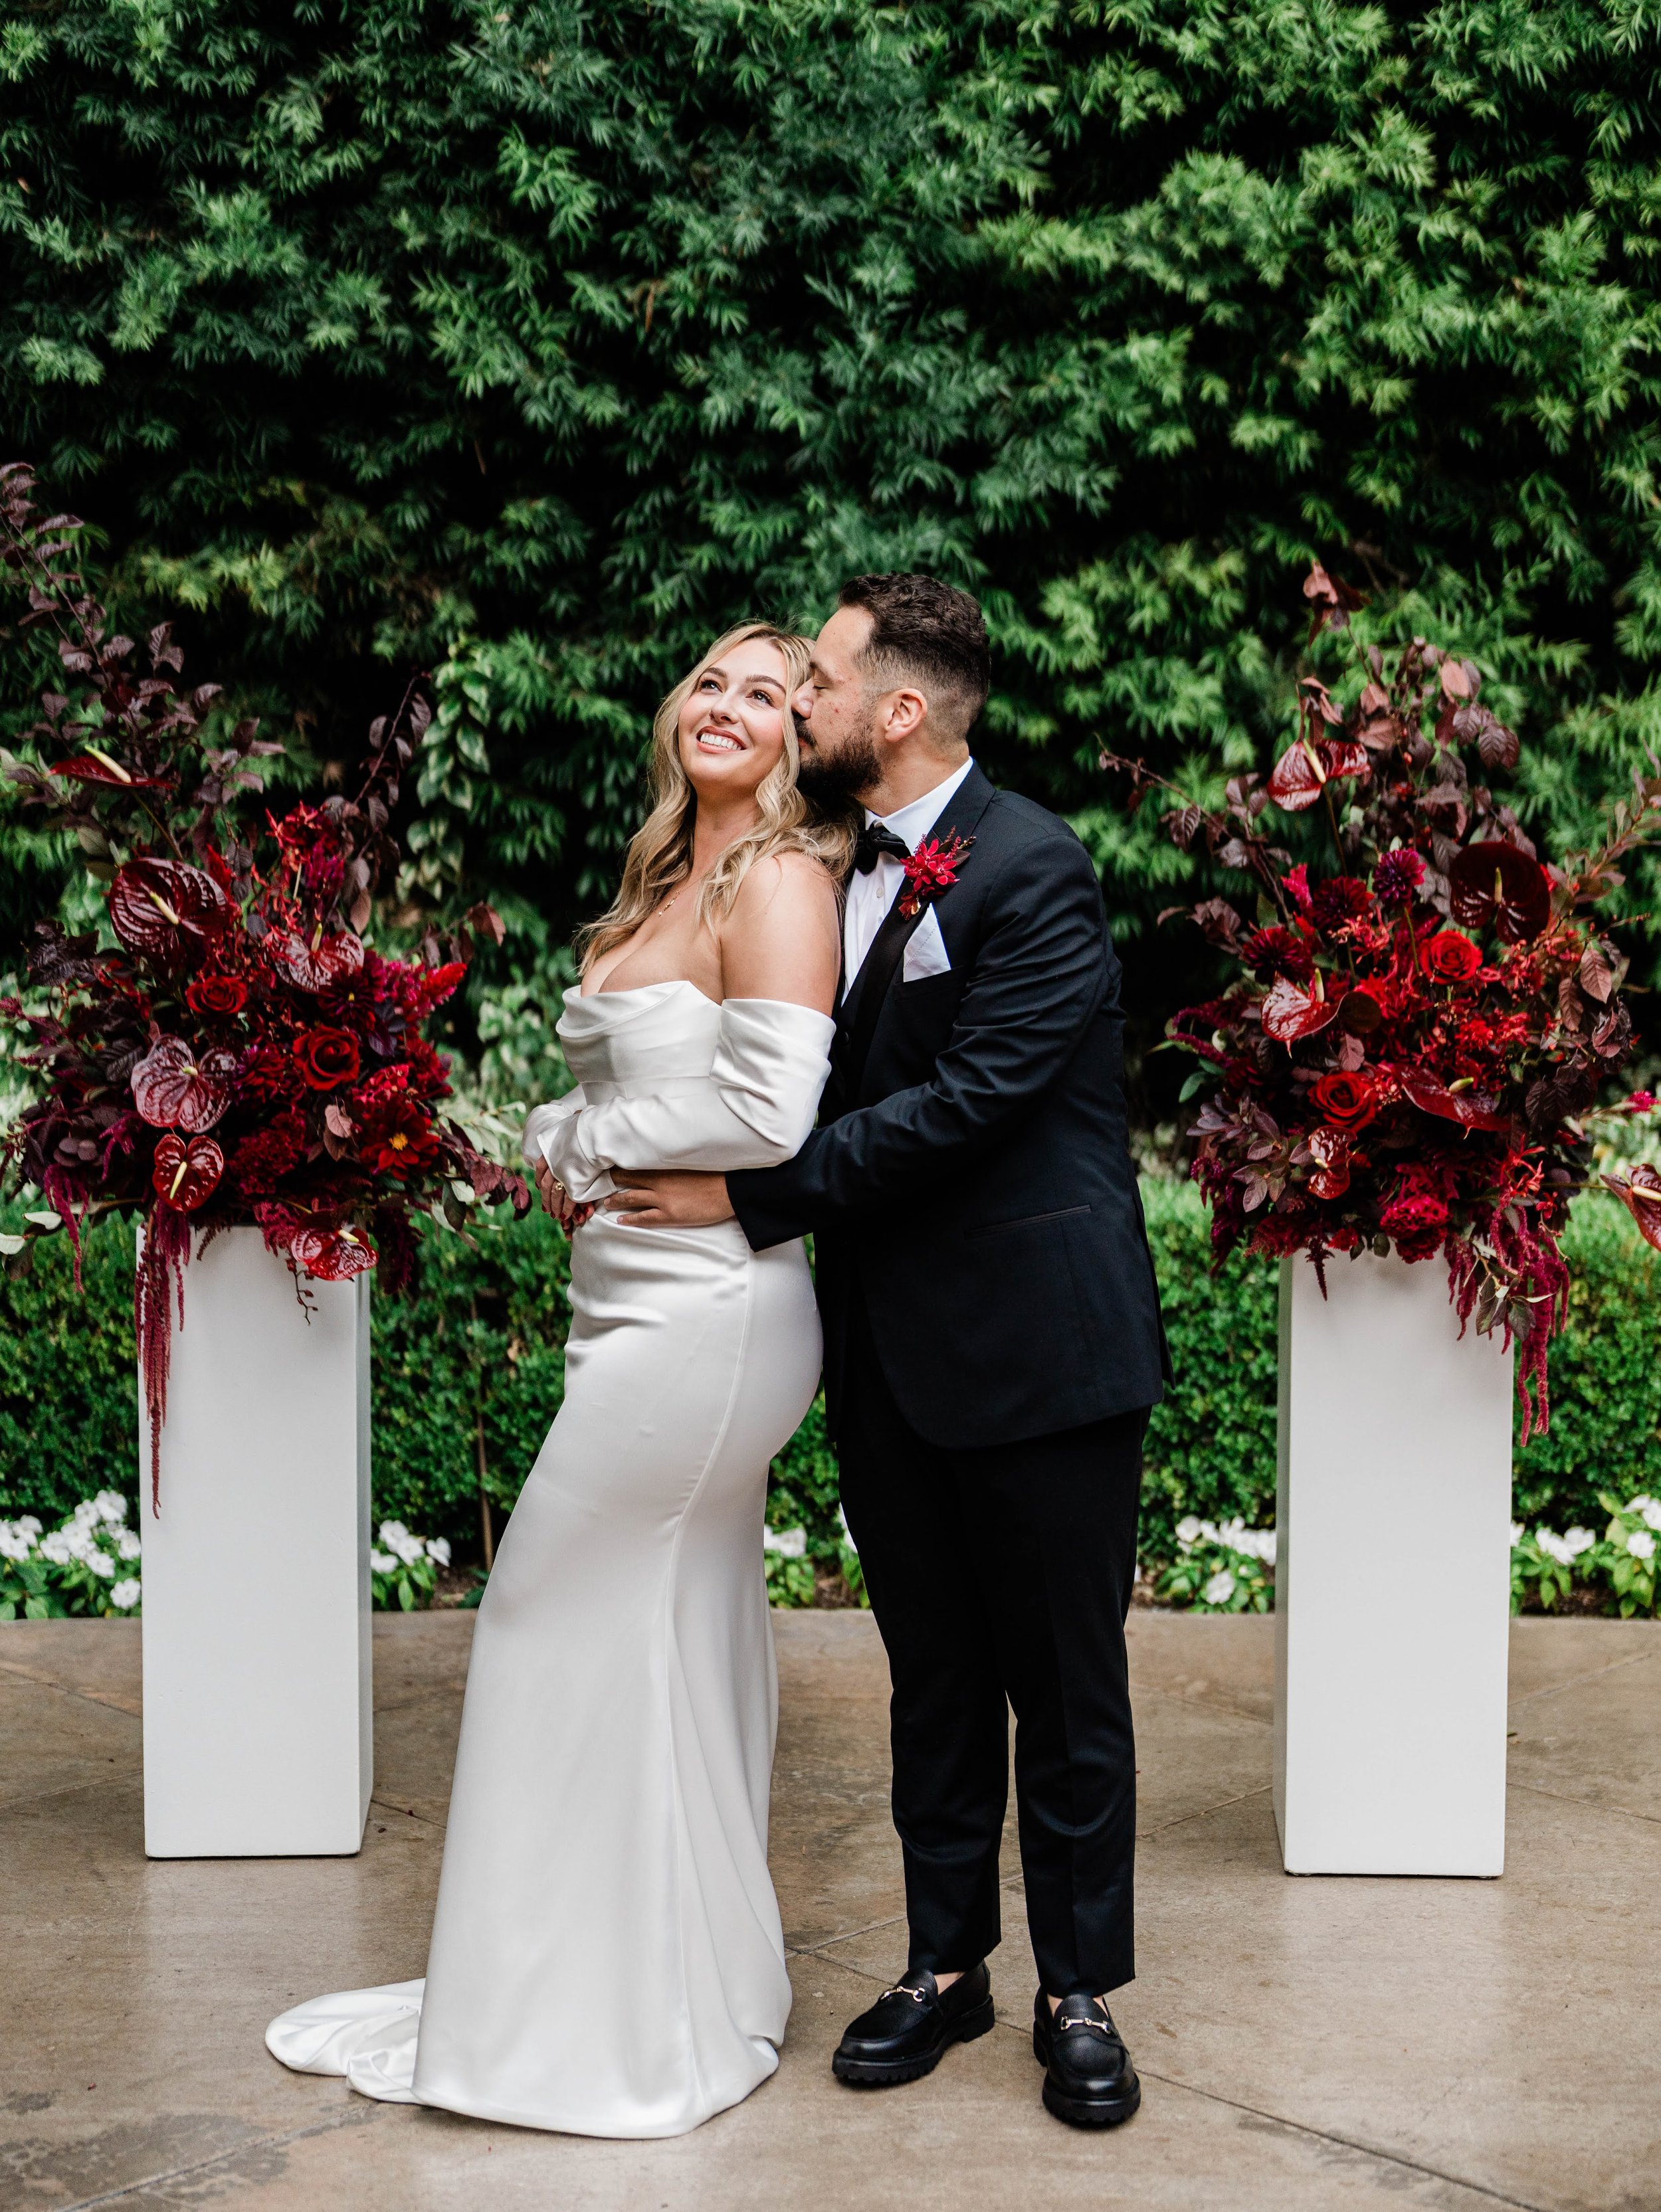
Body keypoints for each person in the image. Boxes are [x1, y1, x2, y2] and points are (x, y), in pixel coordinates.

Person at [265, 623, 850, 2137]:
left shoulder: (783, 882)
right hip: (629, 1305)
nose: (729, 705)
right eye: (713, 680)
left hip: (713, 1315)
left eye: (770, 694)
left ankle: (569, 2022)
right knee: (668, 1632)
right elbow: (636, 1083)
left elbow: (771, 1109)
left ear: (806, 739)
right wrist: (553, 1135)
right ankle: (674, 1985)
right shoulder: (664, 876)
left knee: (537, 1608)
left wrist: (588, 1150)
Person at [603, 573, 1169, 2130]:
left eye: (821, 686)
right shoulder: (818, 869)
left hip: (1042, 1350)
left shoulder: (1033, 868)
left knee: (1063, 1688)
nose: (797, 709)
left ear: (897, 711)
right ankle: (943, 1964)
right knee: (931, 1678)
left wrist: (751, 1197)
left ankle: (1077, 1988)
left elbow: (973, 1104)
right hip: (885, 1351)